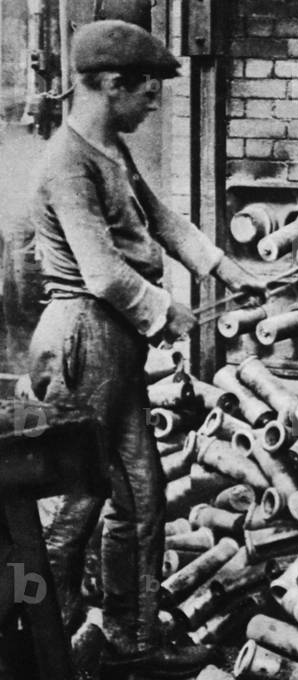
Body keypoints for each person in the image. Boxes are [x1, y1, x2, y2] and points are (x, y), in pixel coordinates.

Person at [24, 19, 265, 678]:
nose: (154, 102)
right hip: (82, 339)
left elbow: (161, 219)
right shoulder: (67, 163)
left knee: (142, 496)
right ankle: (37, 630)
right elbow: (101, 273)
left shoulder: (108, 151)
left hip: (115, 342)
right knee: (76, 500)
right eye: (146, 91)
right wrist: (164, 312)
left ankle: (131, 636)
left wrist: (226, 270)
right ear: (109, 85)